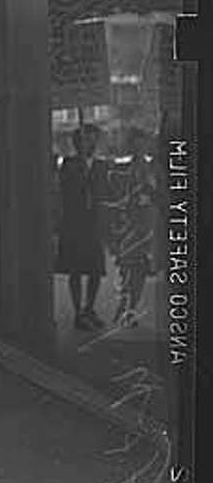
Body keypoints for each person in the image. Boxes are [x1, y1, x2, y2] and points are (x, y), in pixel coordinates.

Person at [55, 124, 110, 331]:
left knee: (95, 268)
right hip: (74, 223)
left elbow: (106, 191)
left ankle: (89, 308)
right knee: (75, 269)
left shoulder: (101, 165)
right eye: (87, 139)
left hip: (93, 223)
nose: (90, 143)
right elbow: (65, 190)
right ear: (78, 142)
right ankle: (78, 311)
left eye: (93, 139)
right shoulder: (69, 164)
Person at [110, 127, 161, 327]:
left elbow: (160, 193)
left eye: (142, 143)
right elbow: (116, 193)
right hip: (128, 222)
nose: (139, 147)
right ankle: (122, 304)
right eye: (135, 143)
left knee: (139, 268)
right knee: (125, 266)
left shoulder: (152, 168)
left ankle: (130, 309)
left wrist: (150, 193)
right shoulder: (123, 167)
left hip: (146, 222)